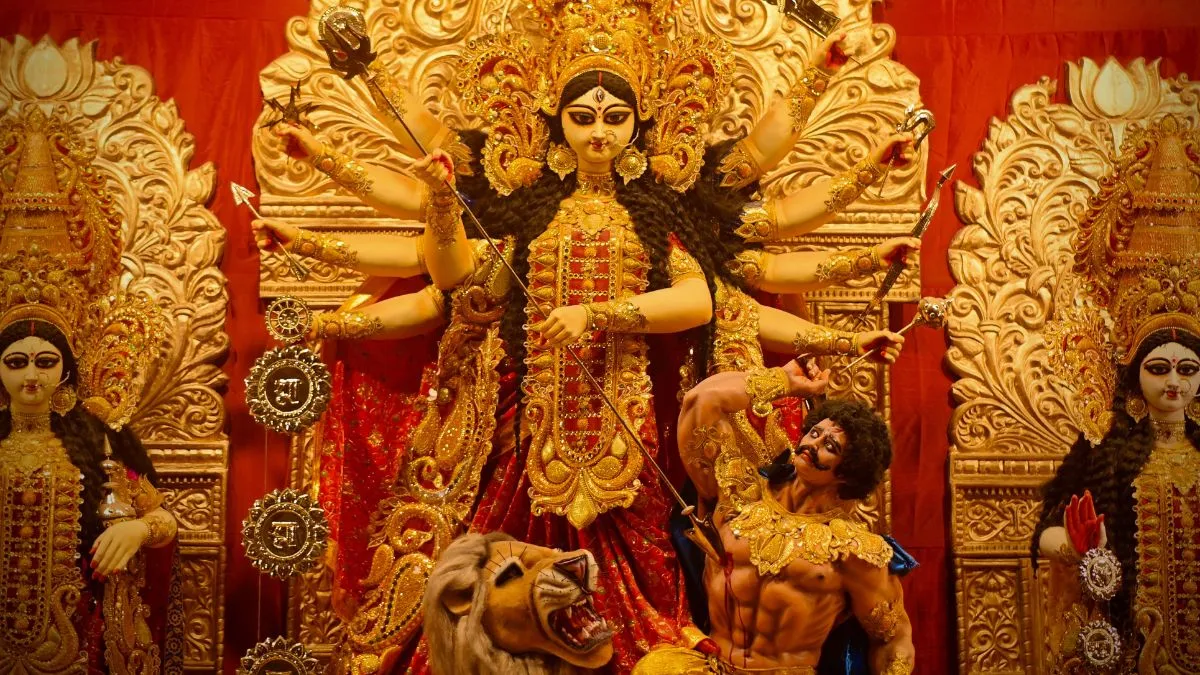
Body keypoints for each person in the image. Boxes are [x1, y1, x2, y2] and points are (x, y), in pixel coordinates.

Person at [252, 2, 910, 671]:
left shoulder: (656, 216)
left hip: (627, 428)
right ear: (557, 122)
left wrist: (597, 315)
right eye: (584, 117)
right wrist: (439, 203)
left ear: (638, 123)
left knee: (650, 594)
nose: (600, 132)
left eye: (615, 117)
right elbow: (451, 283)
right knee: (496, 569)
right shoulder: (527, 215)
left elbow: (696, 301)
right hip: (524, 431)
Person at [0, 106, 177, 674]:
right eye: (16, 362)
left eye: (46, 362)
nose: (31, 375)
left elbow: (164, 519)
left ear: (67, 370)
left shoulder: (98, 437)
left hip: (82, 641)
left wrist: (137, 527)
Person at [1032, 113, 1200, 671]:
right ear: (1134, 375)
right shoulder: (1103, 451)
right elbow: (1045, 535)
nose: (1174, 381)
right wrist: (1079, 547)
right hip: (1132, 644)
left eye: (1187, 369)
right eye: (1159, 368)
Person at [633, 361, 914, 674]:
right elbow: (701, 400)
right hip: (713, 667)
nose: (812, 444)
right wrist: (786, 382)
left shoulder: (854, 550)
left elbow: (893, 639)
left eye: (830, 446)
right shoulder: (739, 494)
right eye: (815, 432)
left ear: (849, 472)